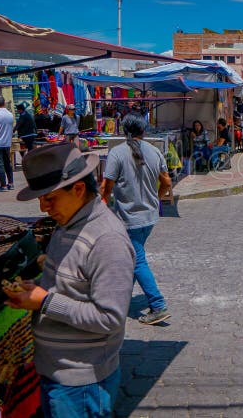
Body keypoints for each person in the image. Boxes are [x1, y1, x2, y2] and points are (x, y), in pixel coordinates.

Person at [7, 143, 134, 417]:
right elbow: (66, 286)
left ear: (78, 189)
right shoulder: (68, 225)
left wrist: (44, 301)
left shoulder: (107, 240)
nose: (43, 207)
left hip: (82, 384)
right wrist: (36, 289)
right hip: (58, 373)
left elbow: (109, 318)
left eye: (49, 199)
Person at [101, 112, 172, 325]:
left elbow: (106, 187)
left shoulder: (117, 153)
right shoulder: (155, 151)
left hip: (128, 218)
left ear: (125, 132)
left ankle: (157, 304)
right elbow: (167, 183)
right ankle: (119, 299)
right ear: (143, 131)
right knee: (131, 257)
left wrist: (102, 207)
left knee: (137, 260)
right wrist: (155, 200)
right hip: (150, 217)